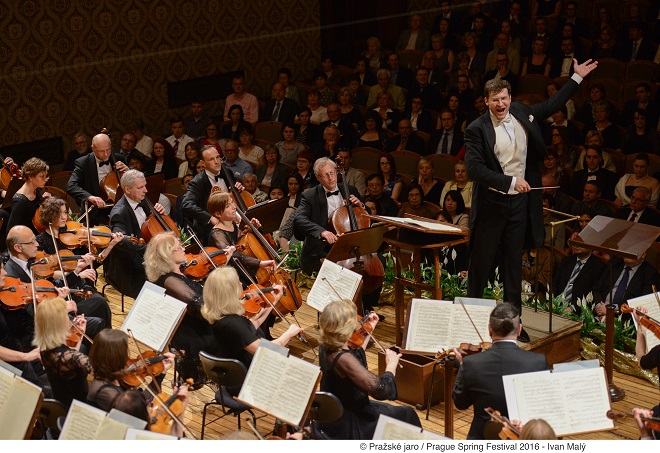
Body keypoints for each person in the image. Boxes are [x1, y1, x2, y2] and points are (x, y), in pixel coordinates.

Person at [464, 60, 597, 342]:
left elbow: (552, 104)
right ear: (485, 101)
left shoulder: (522, 112)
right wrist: (510, 182)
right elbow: (475, 169)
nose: (501, 105)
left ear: (510, 98)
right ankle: (471, 323)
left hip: (519, 206)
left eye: (504, 99)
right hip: (492, 205)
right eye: (495, 100)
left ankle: (514, 327)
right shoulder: (476, 129)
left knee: (513, 264)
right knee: (481, 265)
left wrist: (576, 78)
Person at [317, 300, 421, 439]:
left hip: (337, 410)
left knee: (402, 413)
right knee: (407, 414)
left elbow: (354, 355)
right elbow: (381, 389)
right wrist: (391, 366)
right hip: (351, 421)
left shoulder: (328, 344)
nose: (357, 325)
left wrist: (368, 330)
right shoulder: (342, 358)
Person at [453, 303, 549, 439]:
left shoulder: (472, 364)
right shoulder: (538, 362)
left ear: (490, 330)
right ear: (520, 329)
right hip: (523, 438)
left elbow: (460, 403)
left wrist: (463, 366)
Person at [3, 225, 106, 352]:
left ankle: (103, 363)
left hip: (54, 318)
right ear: (18, 247)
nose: (37, 244)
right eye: (32, 242)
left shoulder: (32, 263)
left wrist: (76, 271)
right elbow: (30, 315)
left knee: (98, 321)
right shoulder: (10, 277)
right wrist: (60, 307)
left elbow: (51, 289)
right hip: (42, 329)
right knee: (86, 340)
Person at [144, 232, 214, 387]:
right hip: (194, 337)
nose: (184, 248)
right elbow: (200, 306)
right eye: (179, 247)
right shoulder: (170, 281)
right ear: (167, 255)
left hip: (200, 327)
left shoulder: (177, 275)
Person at [201, 266, 303, 372]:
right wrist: (289, 333)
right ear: (230, 292)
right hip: (250, 375)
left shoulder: (223, 315)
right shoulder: (232, 323)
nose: (241, 284)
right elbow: (265, 350)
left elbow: (253, 324)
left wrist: (274, 299)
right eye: (238, 282)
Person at [292, 157, 363, 277]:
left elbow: (365, 218)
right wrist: (322, 232)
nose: (331, 178)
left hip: (348, 247)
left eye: (332, 173)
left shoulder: (350, 190)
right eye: (325, 175)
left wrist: (361, 206)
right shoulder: (309, 196)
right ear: (318, 178)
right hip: (322, 250)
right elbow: (299, 219)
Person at [106, 170, 167, 298]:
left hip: (147, 256)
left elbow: (149, 227)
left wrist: (157, 214)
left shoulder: (143, 200)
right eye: (140, 187)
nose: (146, 190)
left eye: (145, 185)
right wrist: (151, 249)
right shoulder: (119, 212)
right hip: (131, 265)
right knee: (164, 277)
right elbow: (121, 240)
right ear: (127, 190)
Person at [87, 329, 175, 411]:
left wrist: (162, 370)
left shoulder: (110, 373)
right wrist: (160, 376)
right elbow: (143, 404)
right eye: (125, 351)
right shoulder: (110, 395)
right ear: (116, 357)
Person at [207, 192, 275, 290]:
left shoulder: (232, 224)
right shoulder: (217, 234)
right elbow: (233, 255)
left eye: (232, 203)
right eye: (228, 206)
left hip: (242, 269)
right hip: (231, 278)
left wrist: (253, 229)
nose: (233, 207)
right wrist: (259, 262)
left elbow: (240, 243)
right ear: (218, 213)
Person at [180, 144, 245, 246]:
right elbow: (186, 204)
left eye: (218, 157)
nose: (216, 161)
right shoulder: (198, 181)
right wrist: (210, 218)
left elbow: (232, 196)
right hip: (211, 230)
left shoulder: (227, 172)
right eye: (211, 159)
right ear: (203, 163)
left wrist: (238, 189)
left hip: (233, 221)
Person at [33, 297, 91, 408]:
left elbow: (71, 357)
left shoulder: (45, 348)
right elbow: (103, 372)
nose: (68, 319)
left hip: (62, 401)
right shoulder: (71, 357)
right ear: (58, 323)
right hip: (77, 405)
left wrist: (79, 334)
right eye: (65, 315)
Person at [66, 132, 129, 226]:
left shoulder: (119, 158)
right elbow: (71, 186)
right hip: (95, 214)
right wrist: (90, 197)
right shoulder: (83, 163)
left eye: (108, 149)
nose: (106, 154)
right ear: (93, 149)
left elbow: (130, 184)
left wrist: (129, 172)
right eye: (101, 151)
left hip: (120, 210)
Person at [593, 251, 659, 321]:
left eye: (632, 250)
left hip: (624, 320)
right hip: (599, 314)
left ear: (643, 254)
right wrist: (599, 308)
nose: (627, 253)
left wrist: (611, 309)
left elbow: (642, 303)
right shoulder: (613, 264)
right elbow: (596, 288)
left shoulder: (650, 273)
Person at [552, 233, 606, 312]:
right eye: (575, 243)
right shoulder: (567, 260)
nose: (577, 246)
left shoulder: (598, 266)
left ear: (591, 246)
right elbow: (555, 283)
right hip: (556, 304)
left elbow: (592, 292)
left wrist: (573, 308)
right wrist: (552, 301)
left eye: (581, 243)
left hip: (577, 310)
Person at [7, 157, 52, 235]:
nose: (46, 179)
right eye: (42, 176)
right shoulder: (20, 201)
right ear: (31, 177)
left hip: (40, 234)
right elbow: (10, 231)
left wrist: (48, 201)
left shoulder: (36, 190)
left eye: (46, 176)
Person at [437, 190, 469, 273]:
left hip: (457, 246)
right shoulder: (440, 214)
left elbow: (462, 234)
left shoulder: (463, 217)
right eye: (448, 200)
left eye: (453, 200)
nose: (450, 203)